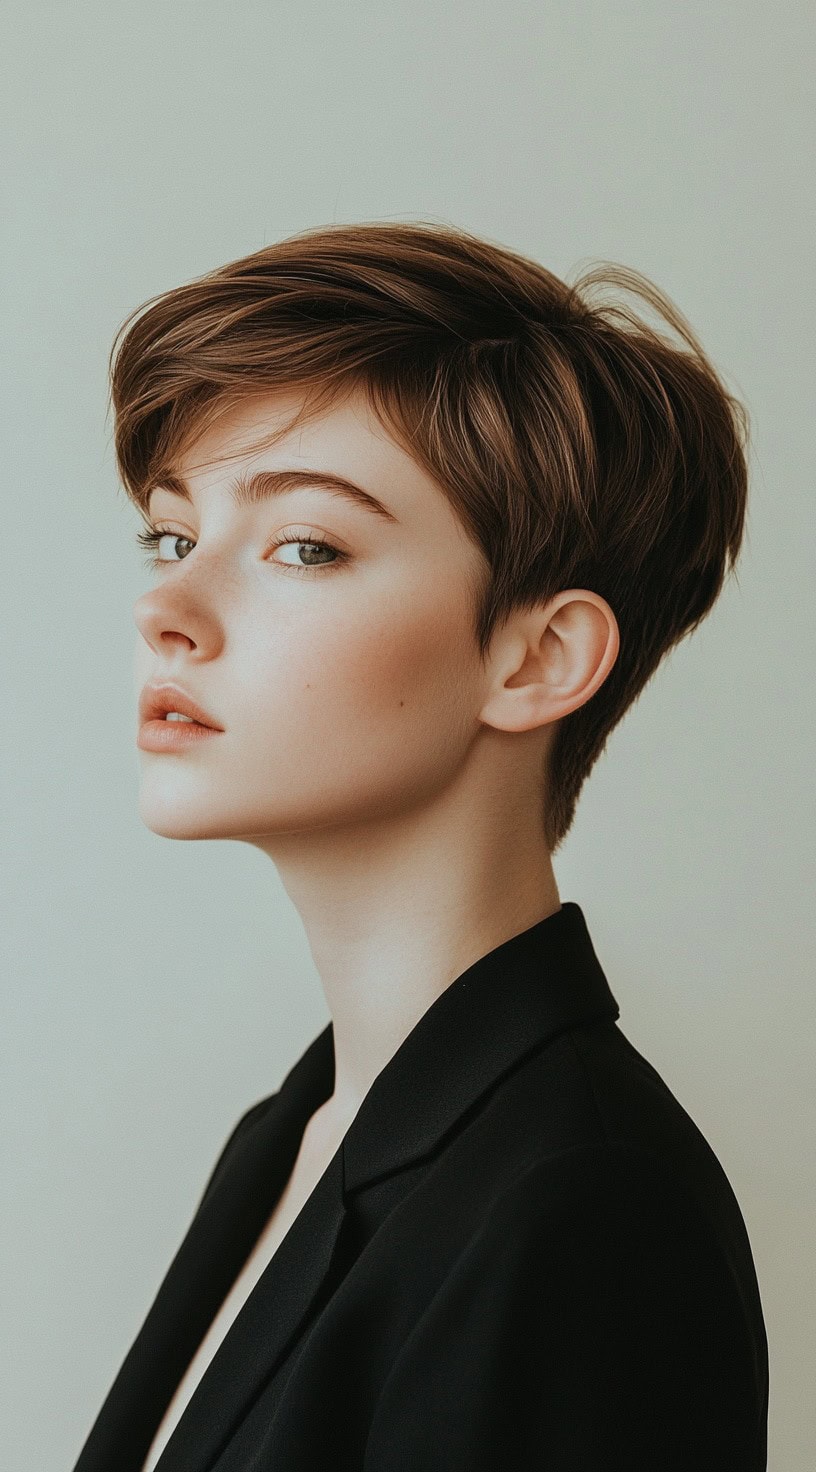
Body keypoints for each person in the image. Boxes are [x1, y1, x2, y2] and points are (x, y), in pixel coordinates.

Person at [72, 220, 768, 1471]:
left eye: (304, 545)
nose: (165, 608)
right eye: (173, 536)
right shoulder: (288, 1135)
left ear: (537, 655)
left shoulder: (586, 1206)